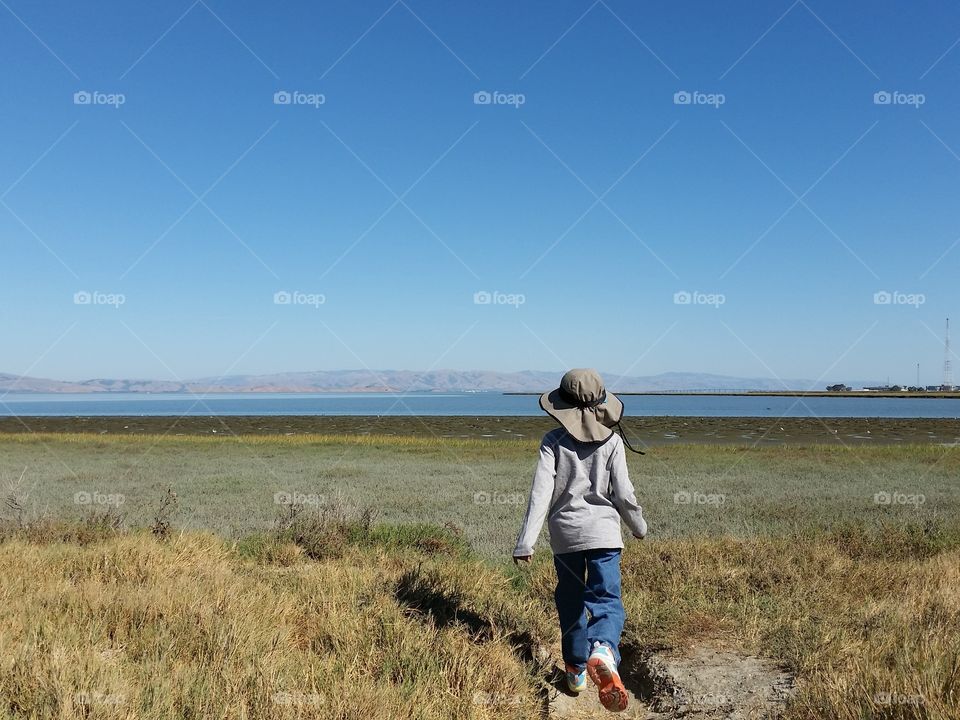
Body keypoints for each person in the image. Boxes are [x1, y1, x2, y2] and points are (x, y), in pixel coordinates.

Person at [513, 368, 647, 713]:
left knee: (570, 601)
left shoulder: (552, 442)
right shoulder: (613, 442)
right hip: (605, 535)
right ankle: (602, 648)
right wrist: (638, 525)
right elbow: (624, 493)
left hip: (565, 538)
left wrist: (525, 542)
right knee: (606, 598)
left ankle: (575, 671)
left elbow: (539, 495)